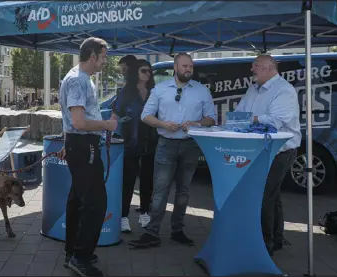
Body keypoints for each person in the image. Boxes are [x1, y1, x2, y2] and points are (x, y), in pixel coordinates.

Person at [129, 52, 217, 248]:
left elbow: (211, 118)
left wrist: (196, 123)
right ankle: (152, 232)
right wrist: (162, 123)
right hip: (166, 144)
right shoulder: (160, 89)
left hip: (190, 145)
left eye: (191, 67)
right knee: (160, 190)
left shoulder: (201, 90)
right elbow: (146, 115)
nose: (188, 69)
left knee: (184, 191)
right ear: (175, 68)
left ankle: (177, 230)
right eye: (185, 66)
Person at [57, 37, 117, 276]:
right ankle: (79, 257)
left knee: (78, 200)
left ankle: (73, 252)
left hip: (78, 145)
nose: (104, 62)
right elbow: (79, 121)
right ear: (93, 56)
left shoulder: (79, 78)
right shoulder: (78, 81)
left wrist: (66, 144)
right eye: (103, 57)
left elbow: (72, 121)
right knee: (95, 202)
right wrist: (107, 125)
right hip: (84, 146)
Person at [235, 54, 301, 256]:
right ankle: (277, 238)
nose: (251, 69)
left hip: (281, 151)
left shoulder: (284, 90)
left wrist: (250, 119)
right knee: (273, 195)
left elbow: (274, 122)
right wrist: (248, 119)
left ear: (268, 67)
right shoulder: (252, 89)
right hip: (261, 150)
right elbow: (238, 114)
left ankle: (265, 244)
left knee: (265, 195)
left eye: (255, 65)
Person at [110, 59, 158, 233]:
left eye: (149, 71)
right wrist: (112, 126)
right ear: (136, 72)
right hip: (131, 141)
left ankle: (145, 212)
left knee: (147, 179)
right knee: (128, 180)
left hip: (151, 141)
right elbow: (116, 111)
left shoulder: (155, 91)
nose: (148, 74)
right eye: (144, 71)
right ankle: (123, 217)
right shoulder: (127, 91)